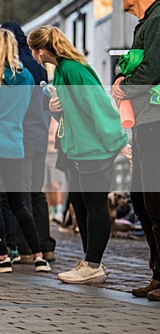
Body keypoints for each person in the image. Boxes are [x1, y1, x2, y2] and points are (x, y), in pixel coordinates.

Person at [28, 26, 129, 284]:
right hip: (79, 148)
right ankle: (90, 261)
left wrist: (118, 141)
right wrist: (54, 108)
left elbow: (97, 105)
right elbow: (72, 111)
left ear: (40, 51)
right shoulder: (63, 70)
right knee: (80, 202)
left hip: (93, 149)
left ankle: (93, 264)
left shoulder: (72, 70)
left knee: (93, 204)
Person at [0, 28, 51, 274]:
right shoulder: (26, 76)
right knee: (20, 203)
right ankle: (39, 257)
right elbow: (25, 108)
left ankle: (2, 258)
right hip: (15, 143)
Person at [111, 0, 160, 301]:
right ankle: (158, 273)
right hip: (145, 121)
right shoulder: (147, 23)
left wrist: (125, 86)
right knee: (142, 201)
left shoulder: (158, 20)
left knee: (154, 201)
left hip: (156, 120)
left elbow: (153, 70)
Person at [1, 22, 55, 263]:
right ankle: (46, 245)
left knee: (20, 192)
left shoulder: (13, 66)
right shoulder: (37, 63)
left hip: (20, 135)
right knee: (36, 192)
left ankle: (26, 248)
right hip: (40, 134)